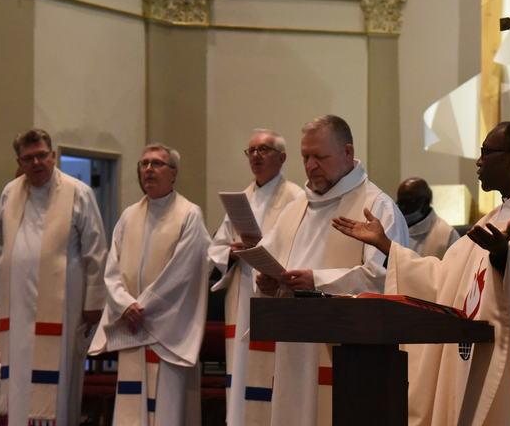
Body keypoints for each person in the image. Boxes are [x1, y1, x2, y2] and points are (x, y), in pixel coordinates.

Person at [332, 121, 510, 425]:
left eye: (486, 152)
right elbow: (444, 279)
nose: (479, 162)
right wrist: (388, 247)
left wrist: (506, 258)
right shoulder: (493, 220)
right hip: (474, 358)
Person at [255, 115, 408, 426]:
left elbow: (386, 280)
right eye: (305, 157)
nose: (310, 166)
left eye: (320, 157)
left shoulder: (376, 207)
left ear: (347, 153)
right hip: (295, 348)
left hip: (347, 353)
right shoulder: (295, 208)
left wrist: (316, 281)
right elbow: (272, 261)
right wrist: (270, 286)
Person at [90, 143, 211, 425]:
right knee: (133, 408)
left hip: (167, 331)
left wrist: (140, 307)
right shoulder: (128, 215)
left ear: (174, 173)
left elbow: (184, 273)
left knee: (166, 409)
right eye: (143, 164)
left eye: (157, 164)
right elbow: (112, 270)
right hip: (133, 325)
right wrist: (124, 304)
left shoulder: (189, 214)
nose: (148, 169)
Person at [0, 129, 108, 425]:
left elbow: (96, 250)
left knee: (58, 382)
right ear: (19, 161)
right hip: (16, 306)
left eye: (42, 155)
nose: (36, 163)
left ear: (53, 155)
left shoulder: (77, 192)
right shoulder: (10, 192)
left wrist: (94, 301)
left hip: (63, 307)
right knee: (18, 377)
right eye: (28, 158)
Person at [208, 128, 302, 426]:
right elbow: (217, 246)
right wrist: (233, 253)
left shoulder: (297, 197)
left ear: (282, 157)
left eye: (264, 150)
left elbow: (300, 245)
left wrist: (274, 267)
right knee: (241, 370)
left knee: (270, 373)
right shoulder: (240, 199)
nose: (256, 157)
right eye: (251, 151)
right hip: (242, 294)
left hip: (274, 294)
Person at [397, 177, 459, 259]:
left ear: (425, 202)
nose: (403, 207)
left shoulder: (448, 235)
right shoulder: (393, 227)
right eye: (400, 203)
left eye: (409, 202)